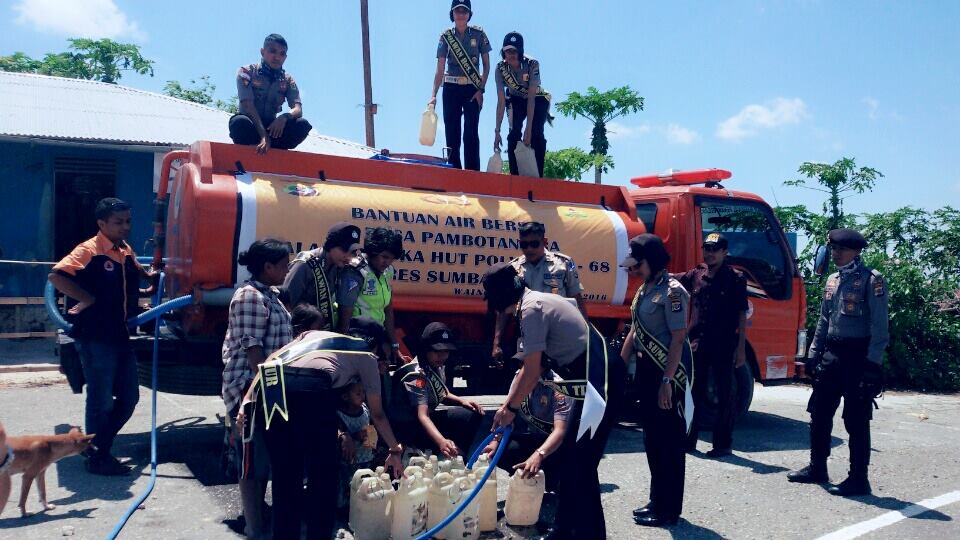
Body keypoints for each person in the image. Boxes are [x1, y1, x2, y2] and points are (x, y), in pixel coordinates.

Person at [483, 262, 625, 540]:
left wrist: (510, 408)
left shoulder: (531, 310)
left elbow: (532, 369)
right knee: (573, 460)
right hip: (591, 378)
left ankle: (588, 535)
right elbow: (528, 368)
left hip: (601, 381)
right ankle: (564, 529)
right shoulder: (538, 299)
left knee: (580, 464)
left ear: (499, 300)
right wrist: (507, 406)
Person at [237, 318, 405, 540]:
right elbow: (378, 414)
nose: (382, 362)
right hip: (311, 387)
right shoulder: (365, 354)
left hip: (274, 384)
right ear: (373, 343)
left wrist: (247, 402)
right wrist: (395, 449)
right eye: (383, 355)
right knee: (323, 477)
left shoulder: (312, 336)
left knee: (285, 477)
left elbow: (270, 361)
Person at [48, 197, 155, 476]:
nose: (125, 227)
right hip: (94, 336)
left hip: (119, 334)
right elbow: (57, 277)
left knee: (129, 397)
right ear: (101, 224)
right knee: (101, 399)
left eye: (128, 221)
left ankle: (97, 448)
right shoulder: (89, 250)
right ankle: (98, 456)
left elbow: (135, 277)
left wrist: (152, 282)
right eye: (118, 222)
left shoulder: (124, 250)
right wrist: (88, 298)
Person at [788, 228, 888, 496]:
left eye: (841, 249)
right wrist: (812, 354)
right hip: (832, 355)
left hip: (858, 357)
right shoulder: (832, 280)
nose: (836, 254)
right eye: (833, 249)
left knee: (855, 420)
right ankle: (817, 467)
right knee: (819, 413)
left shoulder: (871, 280)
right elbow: (823, 320)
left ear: (856, 251)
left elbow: (880, 328)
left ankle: (858, 478)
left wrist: (873, 365)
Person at [619, 234, 694, 527]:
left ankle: (669, 509)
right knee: (652, 440)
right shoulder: (646, 289)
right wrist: (619, 365)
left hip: (667, 374)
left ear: (650, 261)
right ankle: (656, 499)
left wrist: (666, 380)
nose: (634, 270)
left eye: (638, 264)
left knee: (669, 443)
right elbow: (635, 331)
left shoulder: (674, 292)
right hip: (647, 372)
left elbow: (678, 339)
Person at [221, 238, 293, 539]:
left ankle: (258, 517)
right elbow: (254, 352)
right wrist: (257, 394)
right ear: (268, 267)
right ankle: (254, 526)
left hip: (271, 386)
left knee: (263, 457)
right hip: (251, 388)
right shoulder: (250, 297)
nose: (287, 270)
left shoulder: (271, 295)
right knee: (251, 460)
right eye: (283, 265)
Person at [676, 233, 748, 457]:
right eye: (707, 248)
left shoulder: (735, 278)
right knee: (692, 392)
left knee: (726, 394)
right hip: (697, 344)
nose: (709, 253)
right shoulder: (696, 274)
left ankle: (722, 444)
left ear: (725, 252)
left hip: (724, 344)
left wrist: (741, 348)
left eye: (715, 249)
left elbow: (741, 313)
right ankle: (688, 440)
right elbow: (672, 279)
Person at [492, 222, 587, 362]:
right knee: (529, 377)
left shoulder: (563, 264)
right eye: (524, 245)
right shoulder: (513, 269)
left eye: (534, 244)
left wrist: (587, 335)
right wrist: (496, 343)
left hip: (558, 337)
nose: (529, 249)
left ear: (545, 241)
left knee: (558, 381)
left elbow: (577, 299)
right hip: (528, 336)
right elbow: (504, 310)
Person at [391, 322, 484, 458]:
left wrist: (462, 401)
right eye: (437, 351)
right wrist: (441, 442)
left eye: (446, 351)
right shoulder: (417, 376)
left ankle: (458, 454)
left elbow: (442, 393)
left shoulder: (434, 366)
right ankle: (445, 450)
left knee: (471, 414)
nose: (443, 356)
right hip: (409, 428)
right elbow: (422, 415)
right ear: (425, 349)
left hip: (423, 422)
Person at [482, 359, 572, 493]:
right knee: (501, 452)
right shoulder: (519, 376)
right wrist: (495, 441)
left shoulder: (559, 386)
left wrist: (538, 455)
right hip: (529, 436)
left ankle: (552, 480)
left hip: (552, 444)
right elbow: (508, 413)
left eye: (527, 364)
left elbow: (560, 432)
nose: (522, 368)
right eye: (521, 363)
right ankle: (524, 476)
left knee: (560, 474)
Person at [429, 0, 491, 170]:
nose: (461, 14)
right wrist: (433, 95)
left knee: (471, 133)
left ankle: (472, 175)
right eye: (458, 11)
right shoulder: (446, 36)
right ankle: (454, 172)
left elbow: (486, 65)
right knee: (452, 133)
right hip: (451, 88)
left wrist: (481, 89)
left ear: (469, 14)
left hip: (472, 89)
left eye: (465, 11)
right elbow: (440, 69)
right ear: (452, 14)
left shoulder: (479, 34)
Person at [230, 33, 312, 153]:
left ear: (285, 57)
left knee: (302, 125)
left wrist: (284, 117)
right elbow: (247, 105)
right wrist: (263, 135)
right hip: (251, 125)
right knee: (238, 122)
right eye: (272, 51)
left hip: (273, 128)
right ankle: (259, 144)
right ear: (262, 52)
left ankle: (274, 150)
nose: (277, 57)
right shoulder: (246, 72)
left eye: (282, 54)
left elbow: (297, 109)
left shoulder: (288, 80)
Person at [283, 222, 363, 333]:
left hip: (316, 333)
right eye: (344, 250)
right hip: (295, 331)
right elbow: (284, 301)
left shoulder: (338, 266)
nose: (348, 256)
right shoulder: (306, 264)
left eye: (352, 252)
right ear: (331, 245)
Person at [494, 31, 551, 177]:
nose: (511, 55)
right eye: (507, 51)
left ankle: (537, 175)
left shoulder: (532, 64)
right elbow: (501, 102)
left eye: (514, 51)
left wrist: (529, 128)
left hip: (536, 99)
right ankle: (515, 176)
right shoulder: (500, 69)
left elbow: (531, 97)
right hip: (515, 99)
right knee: (514, 133)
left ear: (520, 52)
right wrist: (497, 132)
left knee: (536, 133)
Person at [352, 227, 404, 364]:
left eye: (391, 259)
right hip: (357, 339)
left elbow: (387, 309)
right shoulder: (357, 271)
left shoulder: (388, 272)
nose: (387, 262)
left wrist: (394, 345)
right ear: (372, 251)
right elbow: (345, 308)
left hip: (377, 337)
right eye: (384, 257)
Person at [336, 381, 375, 509]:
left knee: (364, 484)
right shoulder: (340, 415)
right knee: (348, 486)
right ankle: (346, 509)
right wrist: (354, 436)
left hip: (366, 456)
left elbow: (370, 425)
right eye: (358, 393)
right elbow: (340, 437)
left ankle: (361, 506)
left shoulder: (365, 408)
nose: (362, 395)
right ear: (345, 397)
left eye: (363, 392)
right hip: (349, 460)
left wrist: (372, 437)